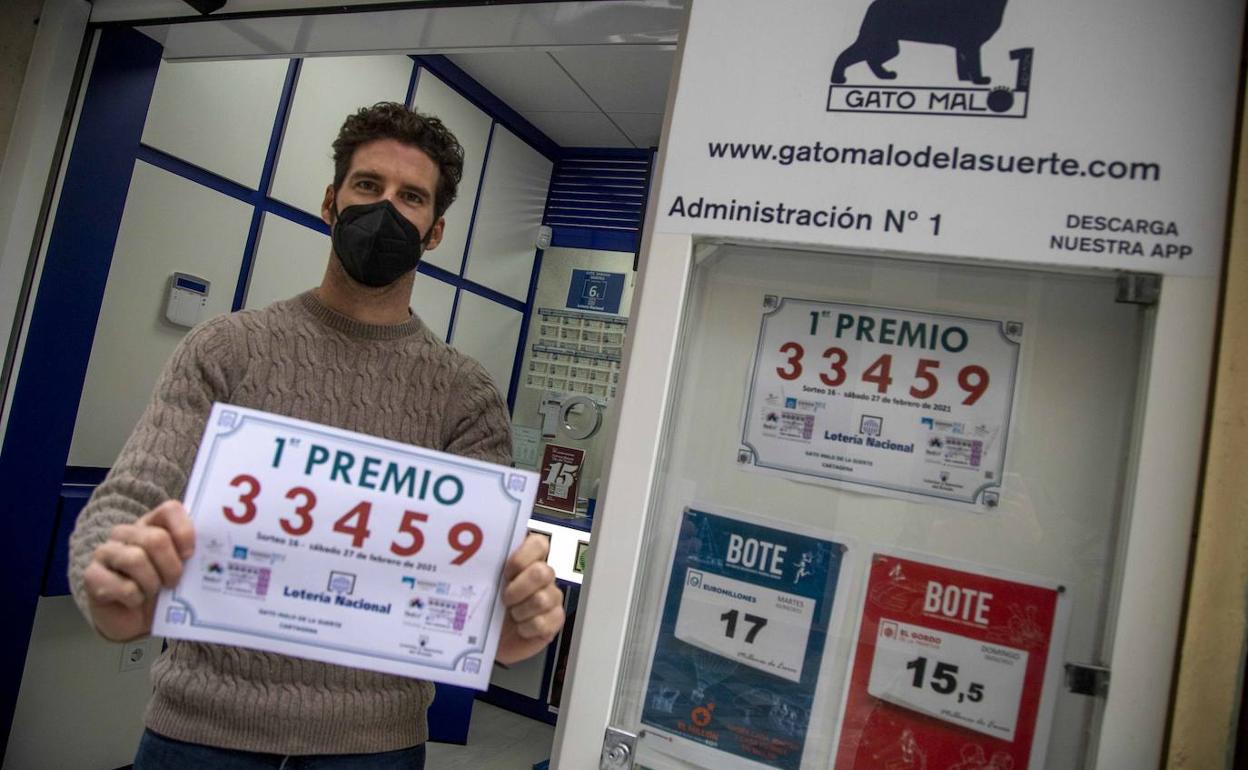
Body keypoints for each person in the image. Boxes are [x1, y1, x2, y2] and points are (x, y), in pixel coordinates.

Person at [68, 102, 565, 769]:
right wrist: (108, 575)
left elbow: (483, 580)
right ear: (331, 202)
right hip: (199, 731)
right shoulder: (226, 349)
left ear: (435, 231)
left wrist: (508, 619)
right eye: (368, 186)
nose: (385, 210)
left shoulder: (465, 396)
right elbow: (131, 497)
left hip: (375, 746)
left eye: (411, 197)